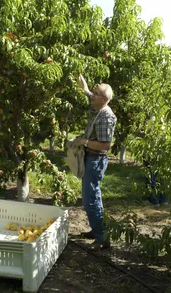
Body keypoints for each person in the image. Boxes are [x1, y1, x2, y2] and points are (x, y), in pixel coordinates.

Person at [73, 74, 117, 251]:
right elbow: (91, 96)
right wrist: (84, 88)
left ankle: (101, 239)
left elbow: (105, 145)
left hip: (95, 160)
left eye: (95, 93)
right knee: (90, 197)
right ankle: (97, 230)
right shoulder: (97, 107)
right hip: (90, 158)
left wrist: (83, 142)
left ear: (105, 99)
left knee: (91, 200)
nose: (92, 95)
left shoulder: (105, 117)